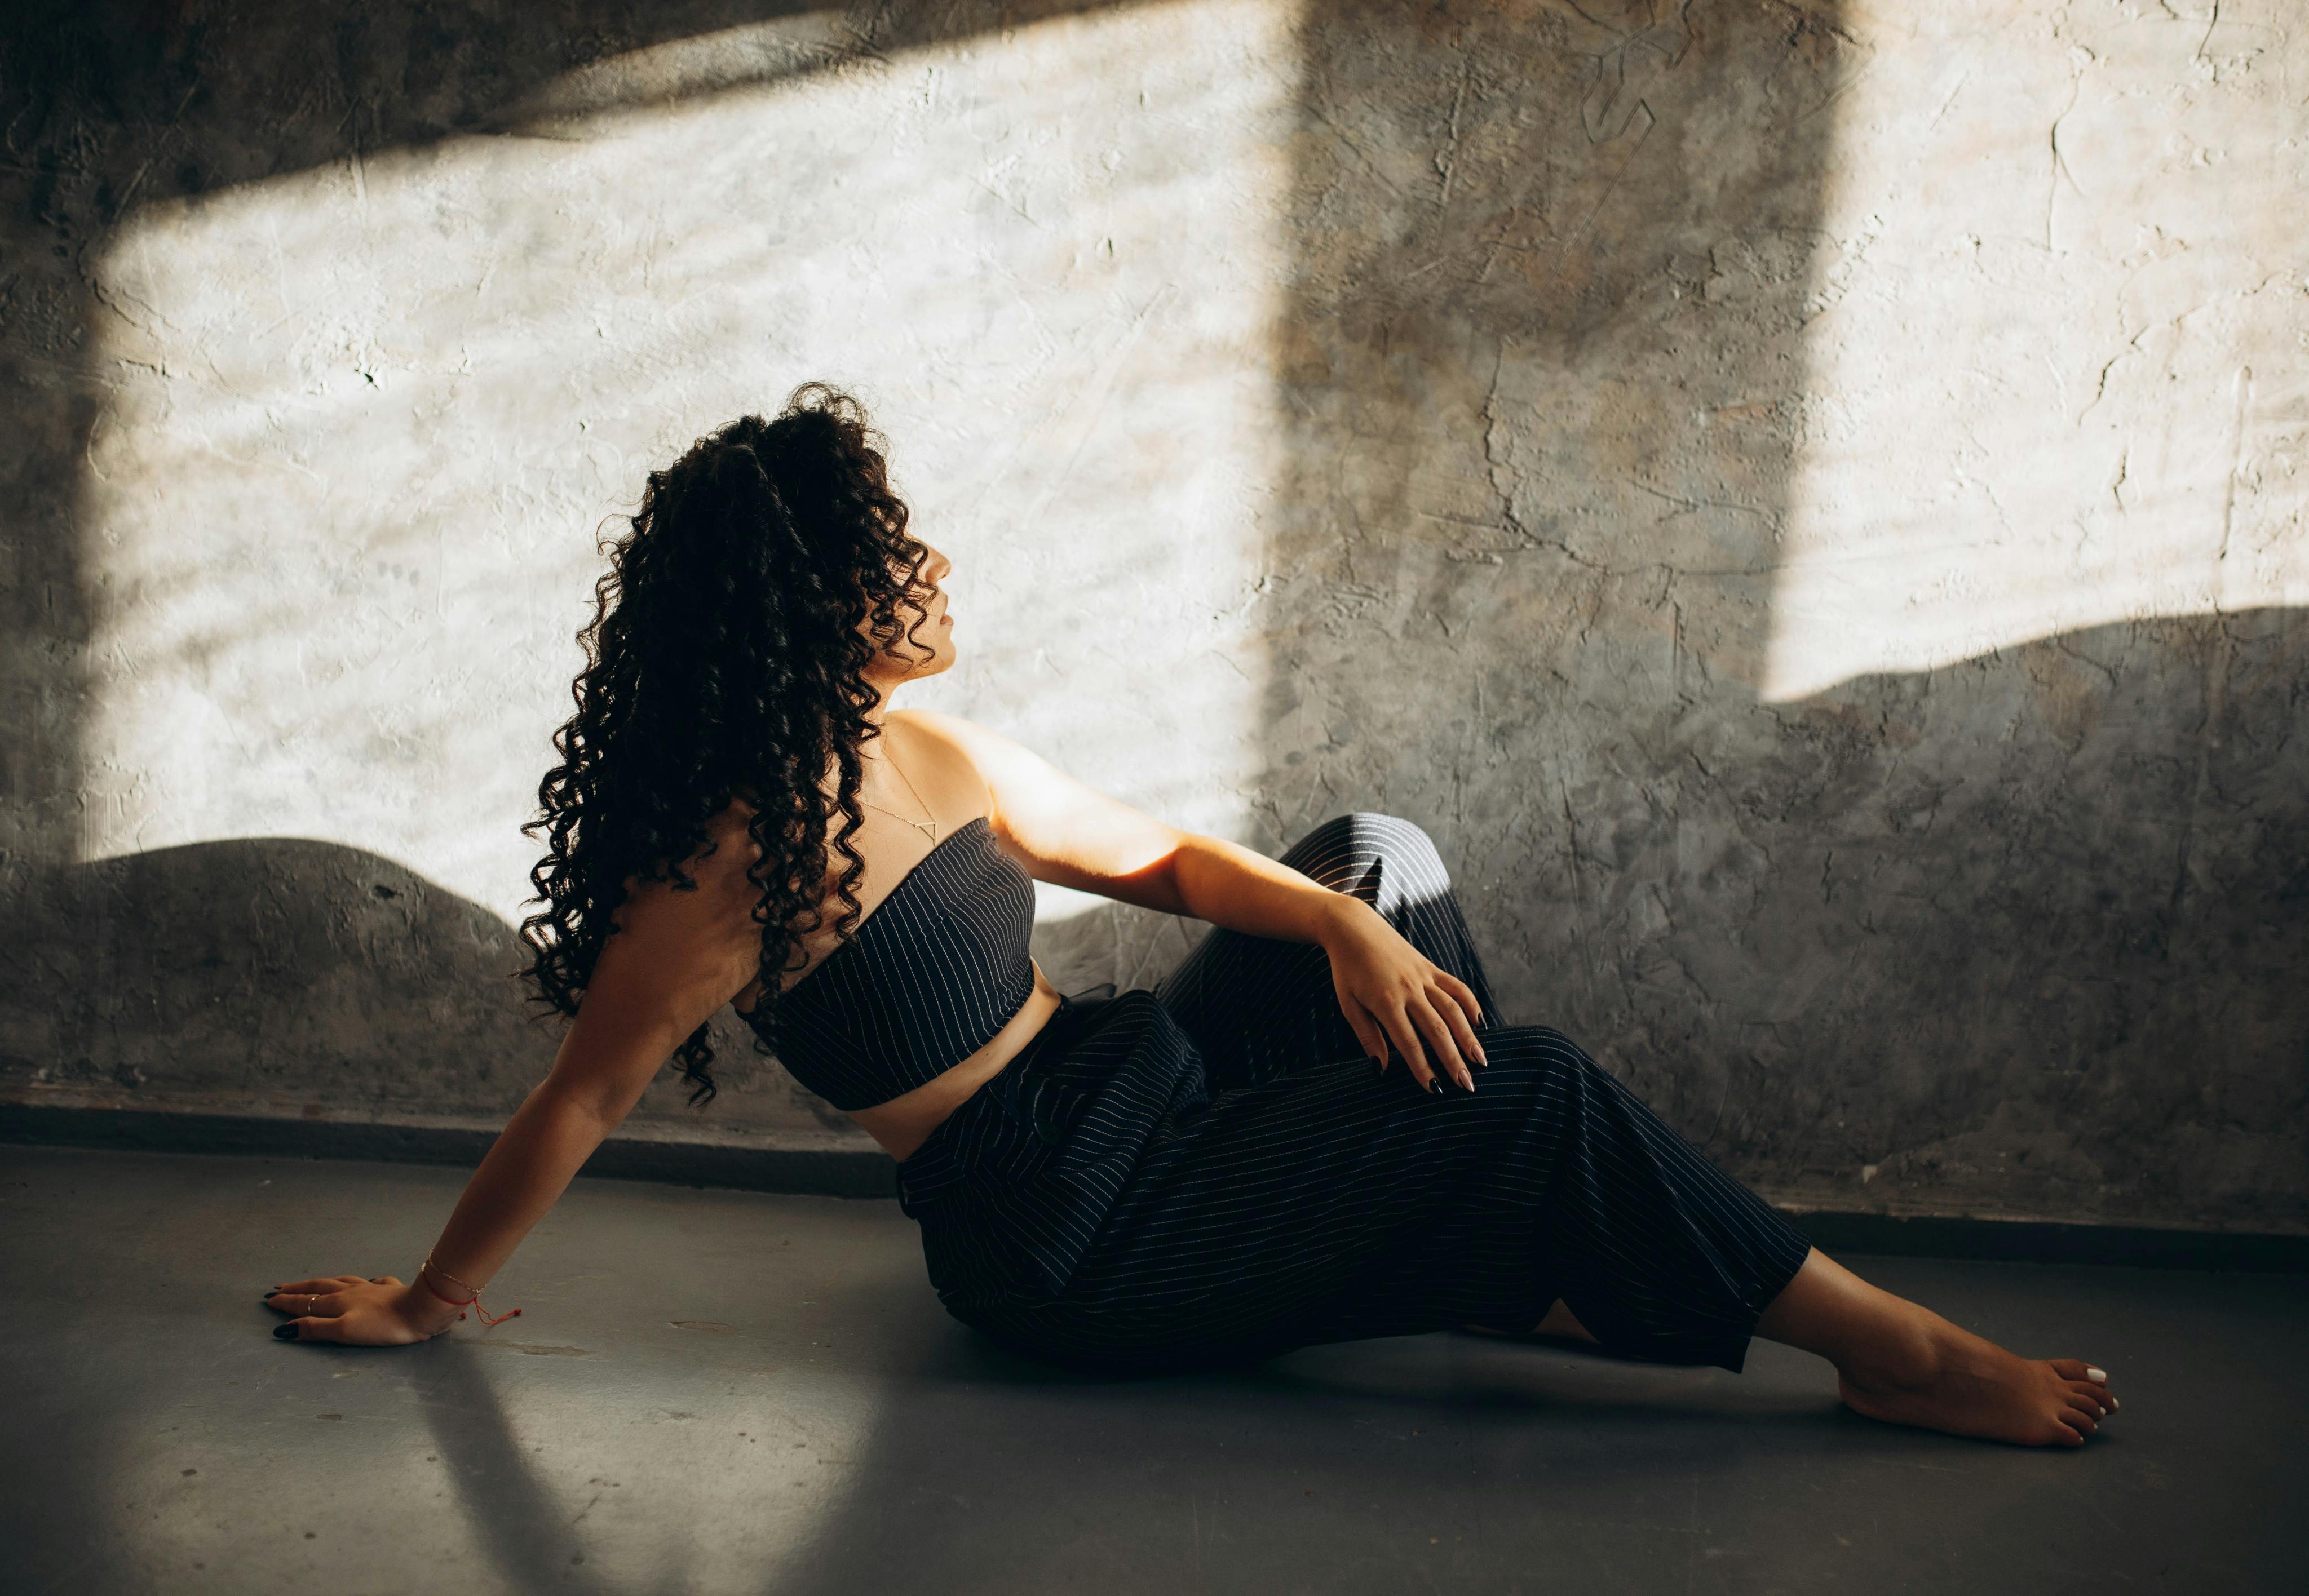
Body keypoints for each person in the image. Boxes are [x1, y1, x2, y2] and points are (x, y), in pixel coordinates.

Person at [267, 385, 2117, 1447]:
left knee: (1371, 860)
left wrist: (1344, 932)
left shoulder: (916, 739)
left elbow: (1157, 863)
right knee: (1530, 1092)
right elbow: (578, 1099)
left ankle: (1515, 1254)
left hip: (1136, 1096)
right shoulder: (724, 871)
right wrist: (432, 1302)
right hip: (1066, 1234)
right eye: (877, 556)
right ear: (806, 613)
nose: (915, 570)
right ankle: (1901, 1357)